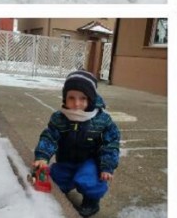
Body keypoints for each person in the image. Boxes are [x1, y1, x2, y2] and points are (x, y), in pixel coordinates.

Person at [33, 70, 120, 217]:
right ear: (64, 98)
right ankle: (65, 186)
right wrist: (42, 156)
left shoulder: (102, 120)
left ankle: (91, 201)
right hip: (67, 159)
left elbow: (111, 143)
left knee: (88, 180)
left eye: (83, 98)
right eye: (71, 98)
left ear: (91, 99)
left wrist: (107, 166)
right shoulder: (60, 118)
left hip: (90, 161)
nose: (76, 103)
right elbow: (49, 137)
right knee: (55, 178)